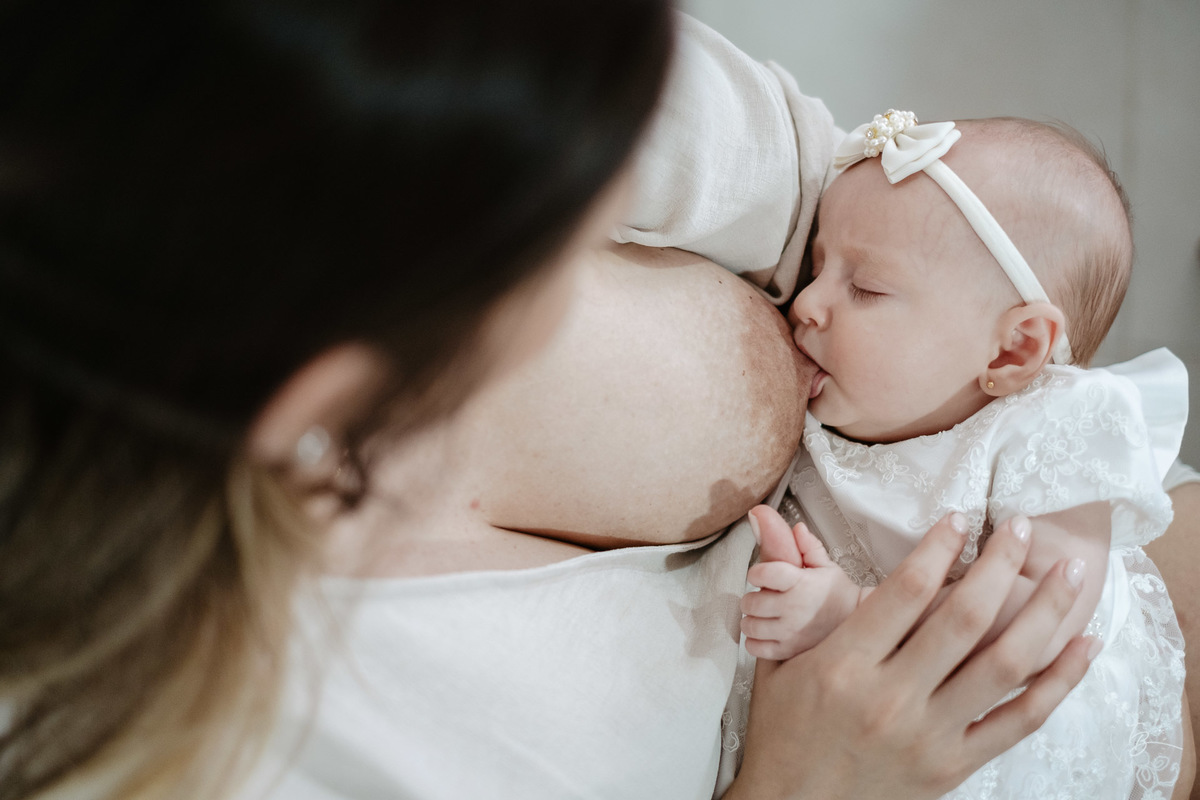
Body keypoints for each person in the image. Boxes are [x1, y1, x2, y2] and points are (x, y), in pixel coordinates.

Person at [0, 4, 1150, 799]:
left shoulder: (477, 71)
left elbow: (873, 188)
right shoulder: (190, 729)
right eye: (546, 250)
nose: (792, 304)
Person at [737, 111, 1186, 798]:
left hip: (1027, 745)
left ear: (1013, 349)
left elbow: (1052, 607)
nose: (808, 304)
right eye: (817, 266)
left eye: (866, 288)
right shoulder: (841, 411)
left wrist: (850, 615)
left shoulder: (1051, 424)